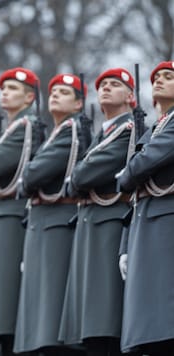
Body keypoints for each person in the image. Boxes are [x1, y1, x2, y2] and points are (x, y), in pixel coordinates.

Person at [57, 68, 136, 356]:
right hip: (92, 225)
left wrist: (76, 178)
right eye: (102, 84)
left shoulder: (129, 129)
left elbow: (81, 176)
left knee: (107, 323)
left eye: (115, 85)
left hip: (109, 225)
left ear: (131, 96)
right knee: (92, 329)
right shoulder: (105, 131)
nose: (105, 88)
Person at [13, 74, 90, 355]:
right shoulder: (59, 132)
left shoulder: (72, 130)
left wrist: (29, 174)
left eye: (65, 92)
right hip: (42, 222)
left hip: (57, 223)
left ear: (79, 103)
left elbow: (32, 173)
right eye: (53, 91)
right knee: (39, 316)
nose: (55, 95)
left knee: (50, 316)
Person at [0, 67, 45, 356]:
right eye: (3, 88)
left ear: (29, 96)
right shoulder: (14, 128)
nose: (5, 93)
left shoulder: (26, 127)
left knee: (6, 307)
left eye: (13, 89)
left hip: (12, 216)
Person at [117, 61, 174, 355]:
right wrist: (124, 246)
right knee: (151, 332)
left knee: (164, 324)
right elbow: (136, 194)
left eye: (168, 77)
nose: (160, 81)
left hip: (166, 228)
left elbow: (139, 167)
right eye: (157, 77)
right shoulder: (158, 125)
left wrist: (126, 175)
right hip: (147, 225)